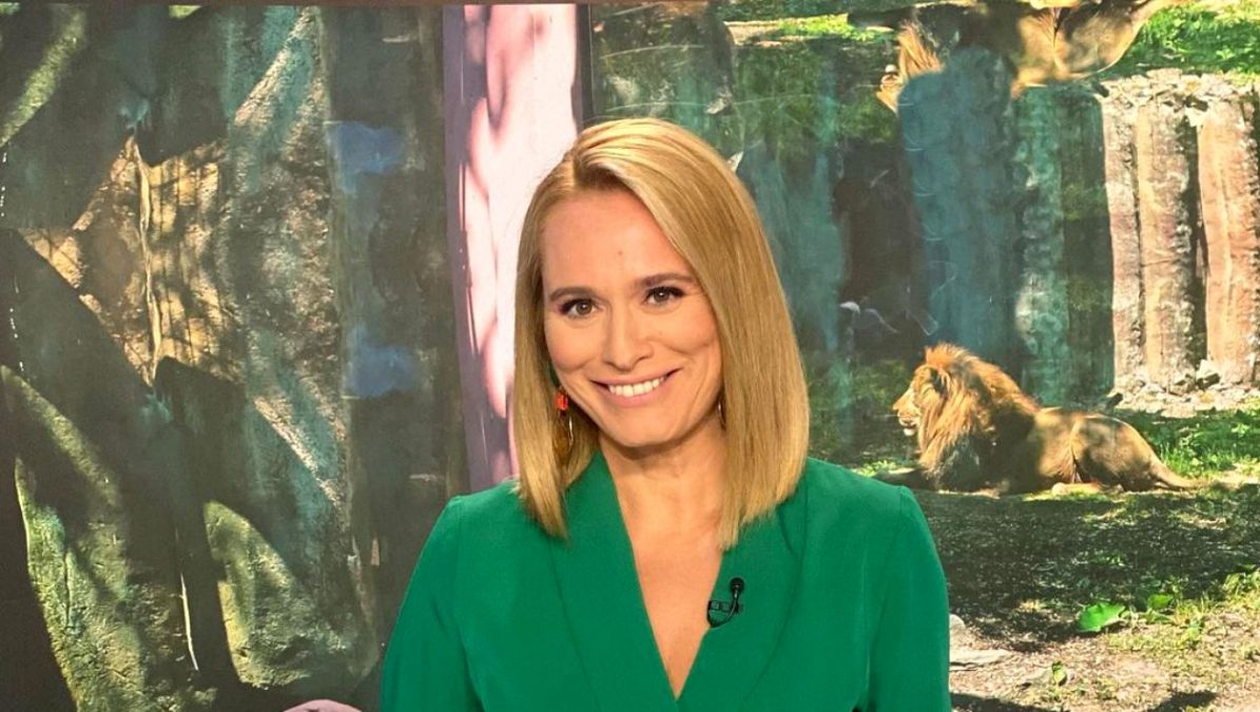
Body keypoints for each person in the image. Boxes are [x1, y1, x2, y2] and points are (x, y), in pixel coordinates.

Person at [381, 118, 950, 710]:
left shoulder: (874, 538)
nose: (622, 350)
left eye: (661, 294)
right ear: (541, 329)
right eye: (580, 306)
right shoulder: (473, 552)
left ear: (735, 300)